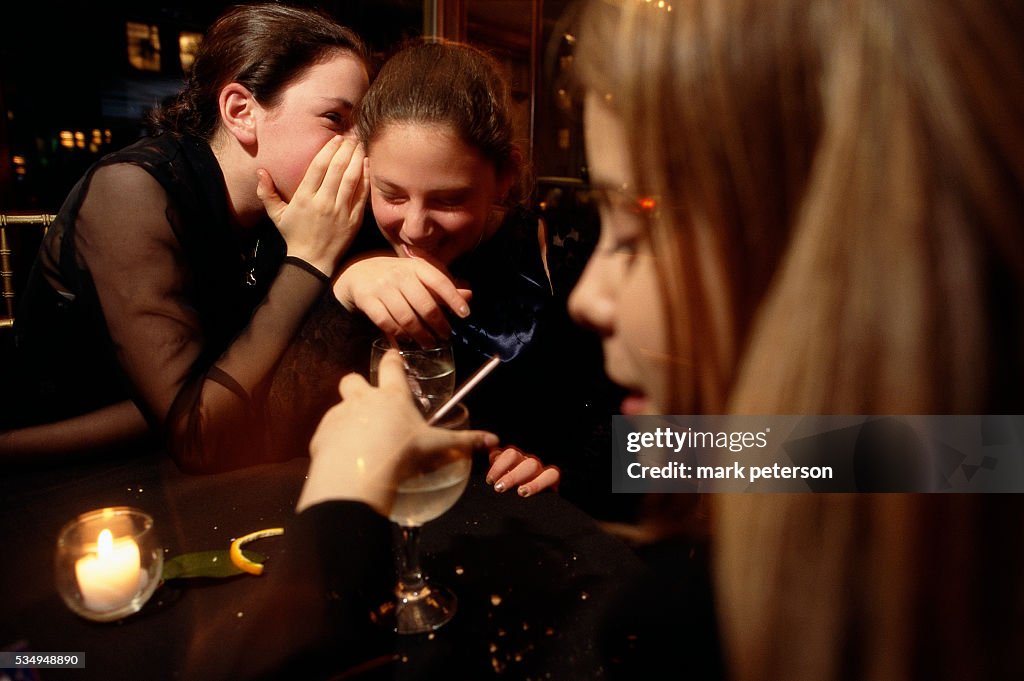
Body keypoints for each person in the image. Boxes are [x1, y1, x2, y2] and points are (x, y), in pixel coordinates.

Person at [188, 0, 1024, 678]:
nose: (585, 297)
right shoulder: (925, 452)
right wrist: (338, 277)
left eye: (640, 228)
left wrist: (345, 499)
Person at [0, 4, 371, 472]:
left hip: (180, 458)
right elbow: (197, 436)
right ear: (241, 112)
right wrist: (310, 258)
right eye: (335, 119)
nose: (358, 148)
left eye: (365, 127)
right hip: (57, 474)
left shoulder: (286, 208)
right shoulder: (131, 191)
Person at [268, 40, 617, 499]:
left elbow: (654, 437)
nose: (414, 228)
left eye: (449, 200)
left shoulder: (565, 254)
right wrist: (344, 291)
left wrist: (563, 471)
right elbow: (279, 432)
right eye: (392, 194)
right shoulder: (350, 243)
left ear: (505, 176)